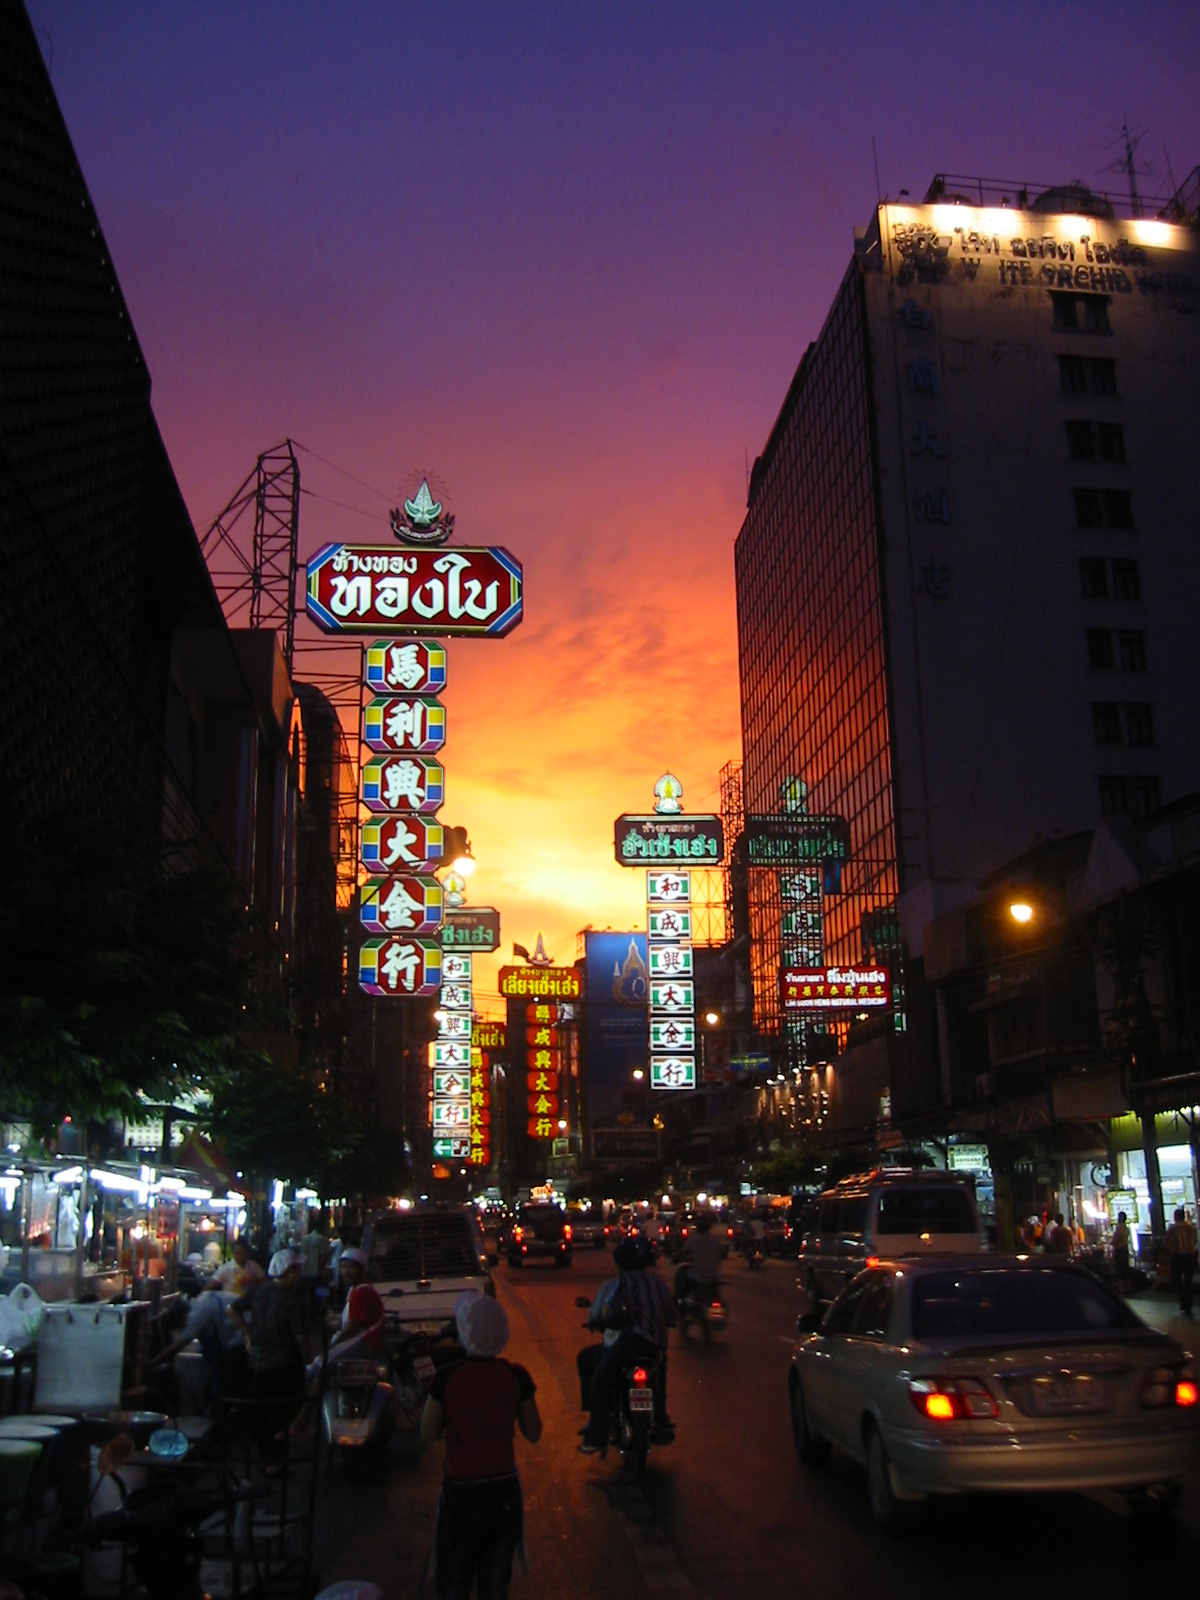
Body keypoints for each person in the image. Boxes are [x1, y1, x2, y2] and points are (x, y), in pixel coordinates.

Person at [421, 1293, 541, 1600]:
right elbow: (533, 1431)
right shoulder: (516, 1376)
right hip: (503, 1492)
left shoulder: (446, 1379)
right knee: (494, 1585)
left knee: (455, 1583)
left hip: (461, 1493)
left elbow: (427, 1433)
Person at [578, 1235, 676, 1452]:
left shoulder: (622, 1283)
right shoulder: (658, 1285)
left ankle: (596, 1437)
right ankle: (661, 1420)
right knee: (660, 1376)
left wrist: (601, 1320)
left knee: (600, 1380)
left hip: (628, 1343)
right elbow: (669, 1315)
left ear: (619, 1264)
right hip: (653, 1347)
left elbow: (605, 1311)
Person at [226, 1248, 309, 1445]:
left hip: (257, 1361)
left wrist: (248, 1335)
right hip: (284, 1365)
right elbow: (301, 1338)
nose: (300, 1274)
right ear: (289, 1271)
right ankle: (275, 1461)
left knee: (262, 1412)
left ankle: (265, 1457)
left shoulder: (259, 1290)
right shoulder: (291, 1298)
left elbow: (231, 1310)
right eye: (297, 1269)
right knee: (280, 1413)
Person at [673, 1210, 722, 1303]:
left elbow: (683, 1252)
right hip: (713, 1276)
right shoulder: (715, 1240)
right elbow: (721, 1253)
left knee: (681, 1278)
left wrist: (676, 1258)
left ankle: (679, 1302)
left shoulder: (694, 1239)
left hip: (696, 1275)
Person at [1166, 1208, 1197, 1315]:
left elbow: (1166, 1242)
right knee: (1188, 1280)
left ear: (1175, 1217)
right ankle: (1188, 1302)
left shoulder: (1173, 1228)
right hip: (1190, 1256)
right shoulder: (1191, 1227)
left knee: (1176, 1280)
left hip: (1177, 1256)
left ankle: (1184, 1301)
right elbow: (1195, 1240)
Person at [1110, 1211, 1131, 1293]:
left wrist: (1112, 1242)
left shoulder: (1119, 1228)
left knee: (1119, 1269)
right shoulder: (1126, 1228)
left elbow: (1115, 1239)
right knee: (1126, 1268)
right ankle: (1128, 1286)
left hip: (1119, 1250)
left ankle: (1120, 1288)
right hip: (1125, 1249)